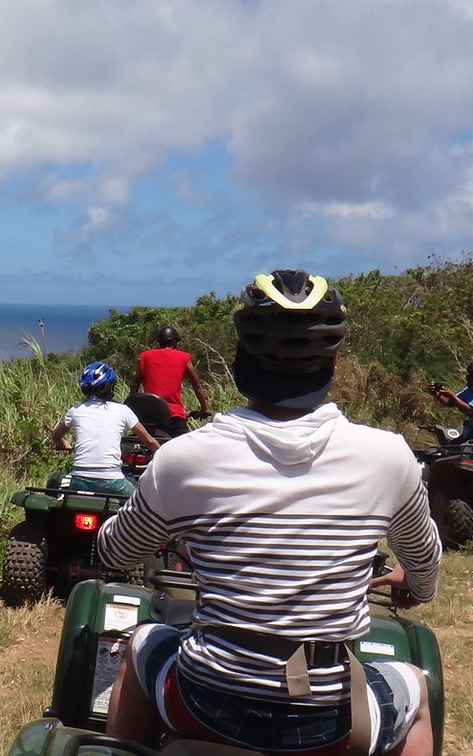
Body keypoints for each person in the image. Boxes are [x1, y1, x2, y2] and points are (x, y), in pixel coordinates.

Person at [96, 269, 442, 756]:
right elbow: (423, 562)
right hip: (325, 719)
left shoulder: (182, 458)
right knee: (416, 684)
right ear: (333, 361)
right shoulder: (389, 457)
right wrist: (417, 586)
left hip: (206, 703)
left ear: (241, 357)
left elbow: (116, 552)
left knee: (143, 641)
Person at [51, 361, 161, 497]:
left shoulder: (75, 411)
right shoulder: (123, 411)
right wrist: (161, 453)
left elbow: (56, 436)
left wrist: (64, 443)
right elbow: (149, 441)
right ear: (109, 387)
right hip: (113, 481)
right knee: (141, 502)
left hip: (79, 480)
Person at [129, 325, 211, 437]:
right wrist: (204, 409)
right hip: (174, 415)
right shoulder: (183, 357)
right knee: (184, 446)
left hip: (149, 416)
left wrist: (132, 408)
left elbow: (135, 385)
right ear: (173, 342)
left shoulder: (145, 356)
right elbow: (197, 386)